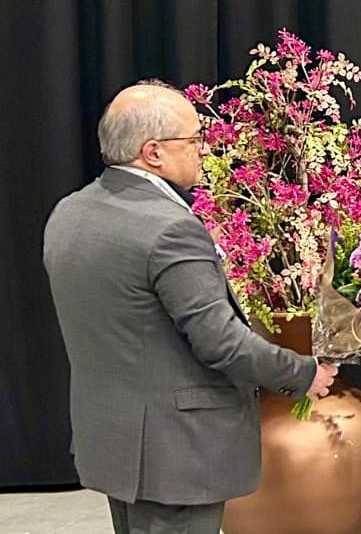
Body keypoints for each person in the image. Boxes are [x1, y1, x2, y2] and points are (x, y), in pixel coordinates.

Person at [42, 82, 338, 534]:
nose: (204, 149)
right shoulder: (170, 229)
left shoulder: (69, 212)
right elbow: (222, 343)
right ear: (153, 152)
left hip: (115, 441)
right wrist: (302, 373)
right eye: (194, 139)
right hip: (177, 452)